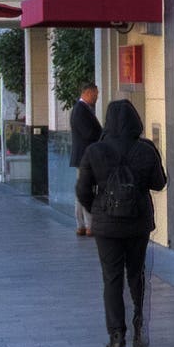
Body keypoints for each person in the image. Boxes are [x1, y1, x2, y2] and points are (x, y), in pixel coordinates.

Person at [76, 99, 167, 347]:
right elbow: (159, 183)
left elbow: (82, 189)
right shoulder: (146, 149)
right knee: (137, 274)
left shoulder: (95, 151)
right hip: (138, 223)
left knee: (112, 278)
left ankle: (117, 336)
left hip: (107, 227)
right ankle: (139, 321)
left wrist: (97, 209)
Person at [68, 80, 102, 236]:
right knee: (85, 190)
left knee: (82, 189)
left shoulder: (82, 109)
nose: (97, 97)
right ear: (88, 93)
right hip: (84, 158)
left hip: (83, 157)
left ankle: (82, 224)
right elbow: (89, 134)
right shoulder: (81, 110)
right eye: (96, 94)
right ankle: (88, 225)